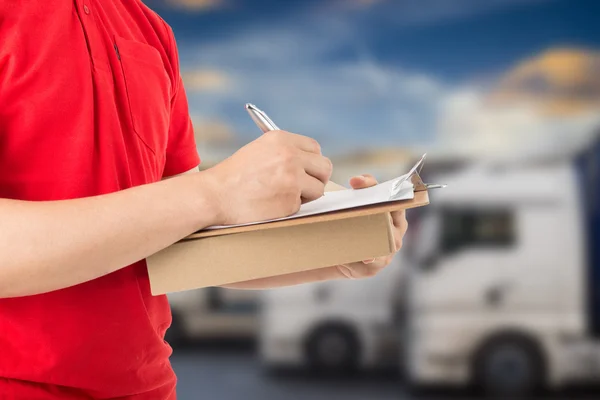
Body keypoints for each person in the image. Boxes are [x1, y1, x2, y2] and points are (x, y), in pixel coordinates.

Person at [0, 1, 408, 399]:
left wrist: (337, 246)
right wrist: (216, 191)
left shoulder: (149, 30)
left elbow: (181, 241)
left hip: (147, 385)